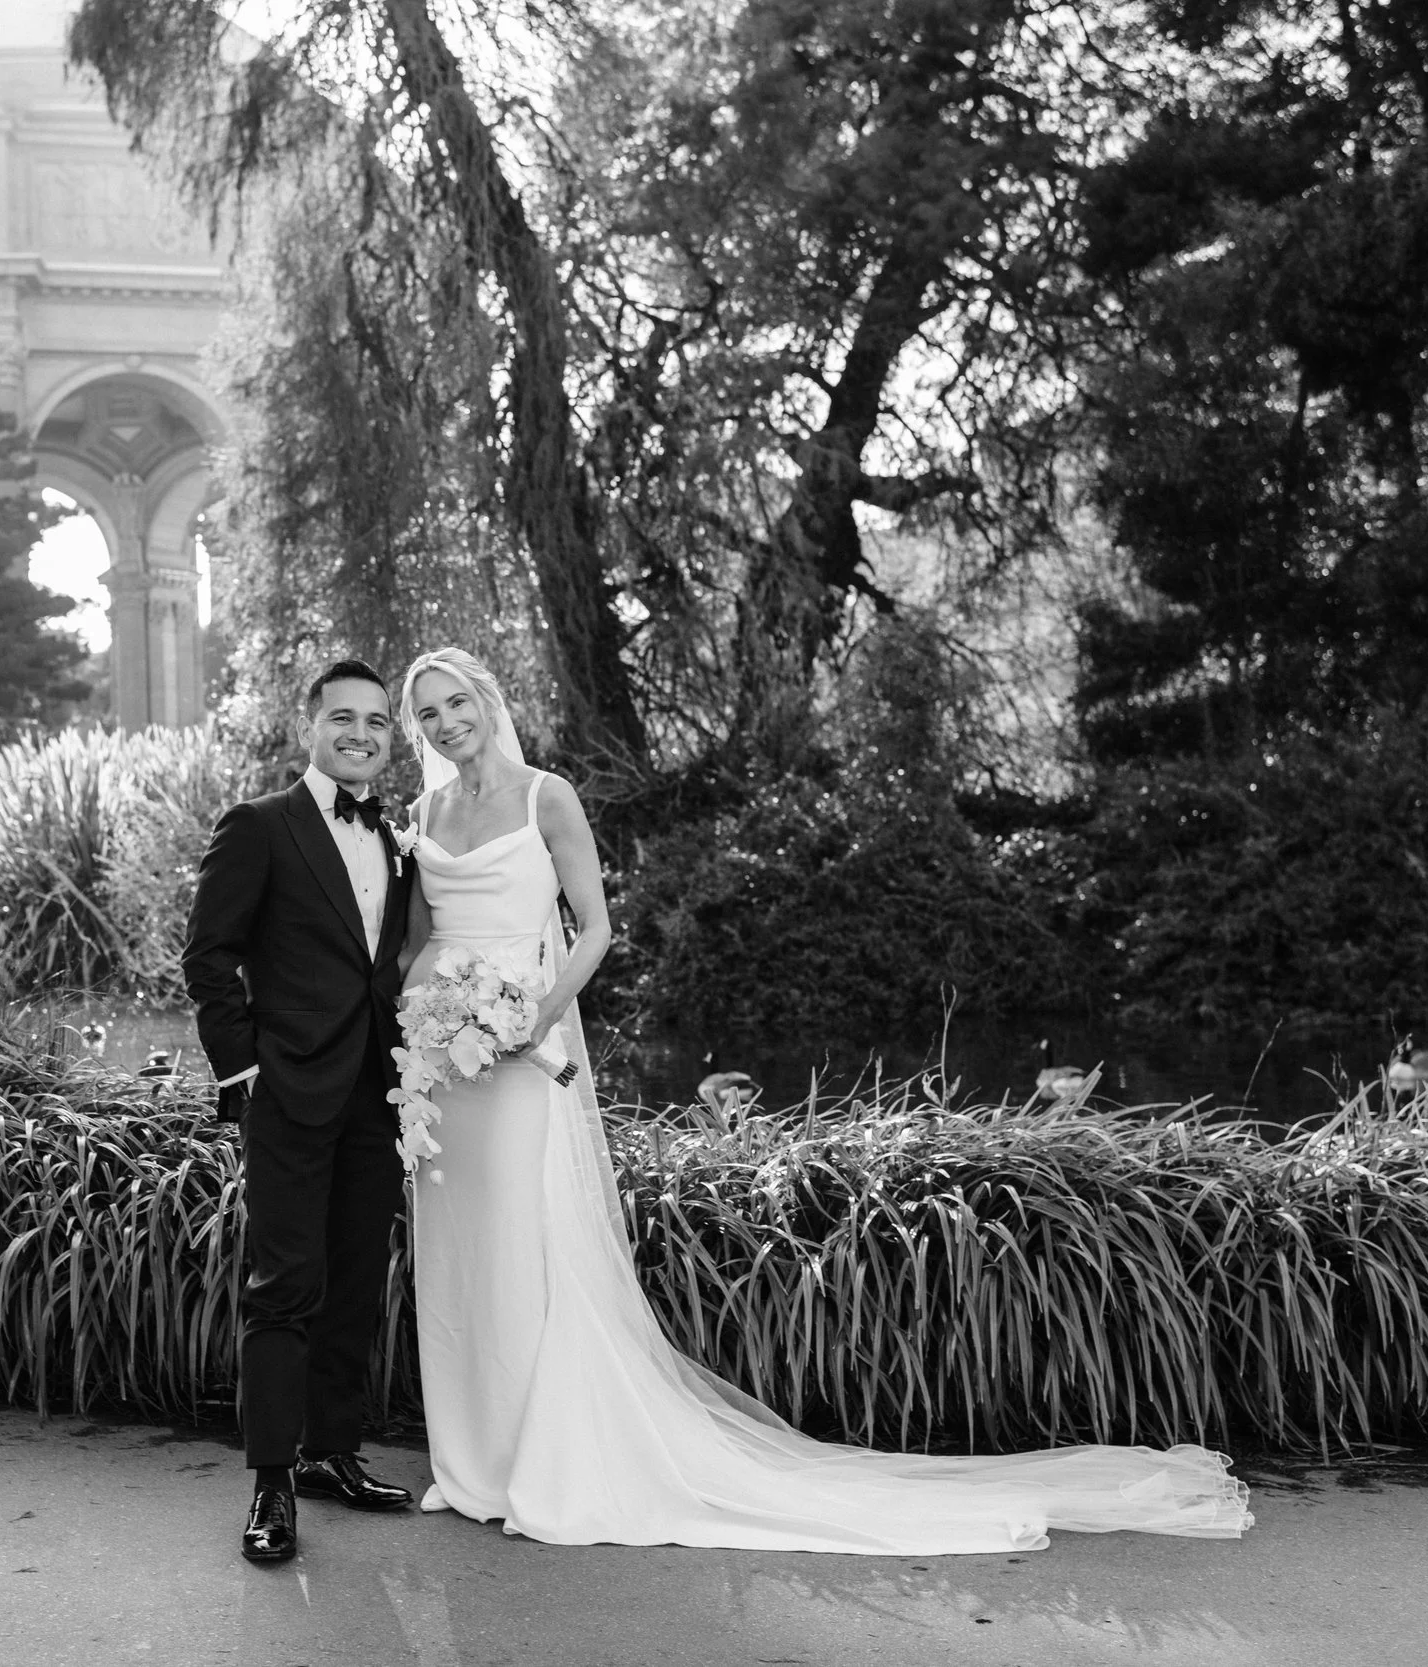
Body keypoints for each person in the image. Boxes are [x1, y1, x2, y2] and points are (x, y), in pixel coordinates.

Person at [395, 647, 1254, 1553]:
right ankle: (471, 1466)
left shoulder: (547, 797)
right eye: (430, 715)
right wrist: (422, 1027)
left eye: (458, 703)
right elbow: (422, 939)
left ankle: (542, 1458)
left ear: (487, 701)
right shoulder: (426, 810)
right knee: (460, 1252)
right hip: (450, 1069)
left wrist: (537, 1016)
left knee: (526, 1247)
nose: (448, 723)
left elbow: (596, 927)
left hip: (529, 1054)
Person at [182, 659, 421, 1564]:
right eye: (343, 718)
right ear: (309, 725)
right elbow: (209, 955)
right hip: (285, 1090)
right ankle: (272, 1482)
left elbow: (386, 970)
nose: (361, 734)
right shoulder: (261, 825)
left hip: (377, 1092)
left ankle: (331, 1453)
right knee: (282, 1287)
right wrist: (242, 1072)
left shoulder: (395, 840)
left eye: (376, 722)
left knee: (356, 1279)